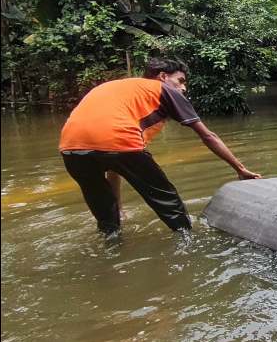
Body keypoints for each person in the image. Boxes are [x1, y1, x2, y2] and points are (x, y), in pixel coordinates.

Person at [59, 58, 261, 235]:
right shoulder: (163, 89)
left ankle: (111, 243)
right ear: (163, 76)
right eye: (180, 81)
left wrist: (118, 207)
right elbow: (208, 136)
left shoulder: (117, 88)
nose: (183, 88)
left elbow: (113, 163)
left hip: (70, 148)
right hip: (118, 140)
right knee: (169, 203)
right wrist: (240, 169)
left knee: (107, 220)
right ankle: (189, 242)